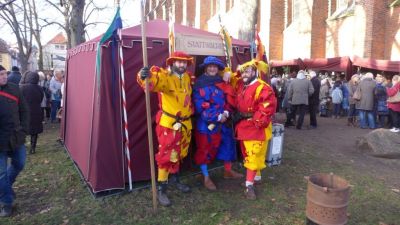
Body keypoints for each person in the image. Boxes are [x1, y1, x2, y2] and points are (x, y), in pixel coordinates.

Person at [137, 51, 193, 206]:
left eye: (184, 62)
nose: (181, 65)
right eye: (178, 62)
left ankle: (175, 180)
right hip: (169, 124)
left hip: (185, 124)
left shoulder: (187, 77)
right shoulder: (165, 77)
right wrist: (143, 75)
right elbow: (153, 82)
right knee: (167, 154)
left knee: (179, 152)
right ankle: (162, 188)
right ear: (172, 63)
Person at [192, 56, 243, 191]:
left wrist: (226, 112)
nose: (213, 68)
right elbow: (199, 105)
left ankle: (227, 171)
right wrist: (216, 116)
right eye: (210, 66)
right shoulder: (199, 84)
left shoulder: (222, 82)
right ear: (206, 68)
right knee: (205, 149)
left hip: (224, 121)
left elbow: (228, 99)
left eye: (215, 66)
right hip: (206, 123)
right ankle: (206, 176)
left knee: (227, 145)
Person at [232, 59, 277, 200]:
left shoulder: (262, 87)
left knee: (253, 154)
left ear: (254, 71)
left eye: (248, 71)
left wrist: (257, 122)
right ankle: (256, 178)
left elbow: (267, 106)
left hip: (256, 126)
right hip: (243, 125)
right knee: (248, 154)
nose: (244, 74)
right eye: (243, 71)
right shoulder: (241, 85)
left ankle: (249, 185)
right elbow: (231, 78)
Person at [0, 65, 29, 217]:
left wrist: (23, 129)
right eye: (1, 75)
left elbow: (24, 110)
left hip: (16, 136)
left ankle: (5, 188)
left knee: (20, 163)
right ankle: (6, 203)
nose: (4, 76)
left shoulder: (14, 88)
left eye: (5, 73)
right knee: (1, 174)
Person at [19, 71, 44, 154]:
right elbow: (41, 99)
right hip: (36, 111)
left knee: (23, 130)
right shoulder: (39, 88)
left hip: (24, 112)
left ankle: (22, 147)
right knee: (34, 131)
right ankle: (33, 148)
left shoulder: (21, 87)